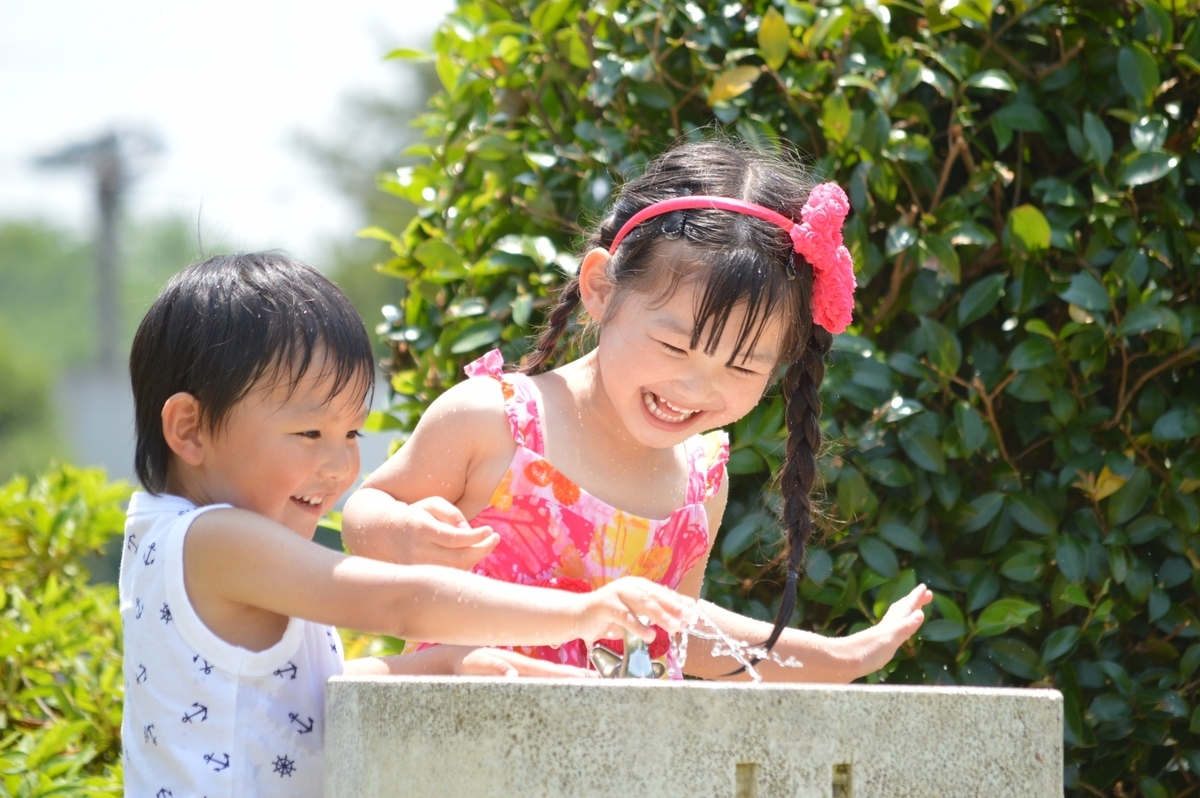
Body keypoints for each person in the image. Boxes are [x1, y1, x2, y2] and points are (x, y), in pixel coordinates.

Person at [342, 139, 932, 681]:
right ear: (601, 288)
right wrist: (400, 532)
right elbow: (366, 512)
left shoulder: (702, 479)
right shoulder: (496, 422)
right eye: (674, 345)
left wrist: (840, 655)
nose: (697, 386)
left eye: (743, 366)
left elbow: (672, 631)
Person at [119, 252, 691, 798]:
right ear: (189, 429)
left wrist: (430, 665)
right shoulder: (215, 540)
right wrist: (585, 614)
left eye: (352, 435)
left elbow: (285, 700)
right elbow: (399, 603)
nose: (341, 466)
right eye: (309, 434)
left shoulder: (174, 536)